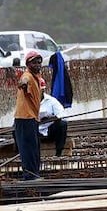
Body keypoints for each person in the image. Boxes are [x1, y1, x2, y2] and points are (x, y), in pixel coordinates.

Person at [14, 50, 43, 180]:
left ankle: (34, 174)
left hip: (32, 117)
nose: (37, 65)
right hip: (24, 118)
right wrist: (23, 84)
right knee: (28, 149)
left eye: (39, 62)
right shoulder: (27, 76)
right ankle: (30, 176)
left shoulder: (37, 77)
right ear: (28, 64)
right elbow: (24, 81)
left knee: (34, 148)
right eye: (34, 62)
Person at [38, 77, 68, 157]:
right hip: (34, 132)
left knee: (62, 124)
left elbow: (62, 114)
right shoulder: (27, 102)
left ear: (43, 90)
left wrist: (51, 118)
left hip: (49, 131)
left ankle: (59, 153)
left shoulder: (51, 101)